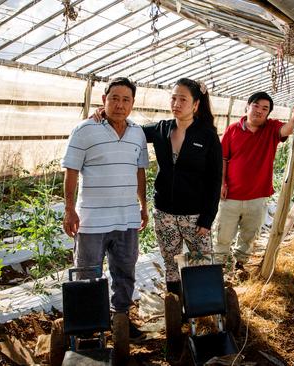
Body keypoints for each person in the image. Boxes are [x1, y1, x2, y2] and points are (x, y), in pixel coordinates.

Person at [93, 78, 222, 295]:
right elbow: (129, 128)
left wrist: (208, 217)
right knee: (171, 263)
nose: (176, 104)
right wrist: (104, 112)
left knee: (202, 262)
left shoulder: (207, 135)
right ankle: (175, 304)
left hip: (195, 215)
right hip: (165, 214)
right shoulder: (161, 129)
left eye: (183, 99)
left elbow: (215, 179)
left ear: (196, 104)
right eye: (173, 98)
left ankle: (205, 307)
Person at [61, 77, 149, 341]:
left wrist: (143, 206)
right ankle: (87, 329)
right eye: (114, 98)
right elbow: (71, 171)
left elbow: (140, 171)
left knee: (125, 272)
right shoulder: (84, 130)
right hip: (91, 220)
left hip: (127, 219)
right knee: (87, 274)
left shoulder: (138, 133)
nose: (119, 105)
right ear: (104, 100)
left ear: (132, 103)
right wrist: (69, 209)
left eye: (126, 100)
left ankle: (121, 320)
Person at [214, 91, 294, 271]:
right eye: (256, 106)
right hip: (231, 195)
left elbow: (287, 130)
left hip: (257, 196)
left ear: (268, 113)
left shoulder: (271, 128)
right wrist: (222, 183)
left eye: (265, 108)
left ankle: (240, 265)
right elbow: (222, 158)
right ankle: (221, 267)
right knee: (223, 234)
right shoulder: (232, 130)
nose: (259, 111)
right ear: (248, 106)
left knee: (249, 235)